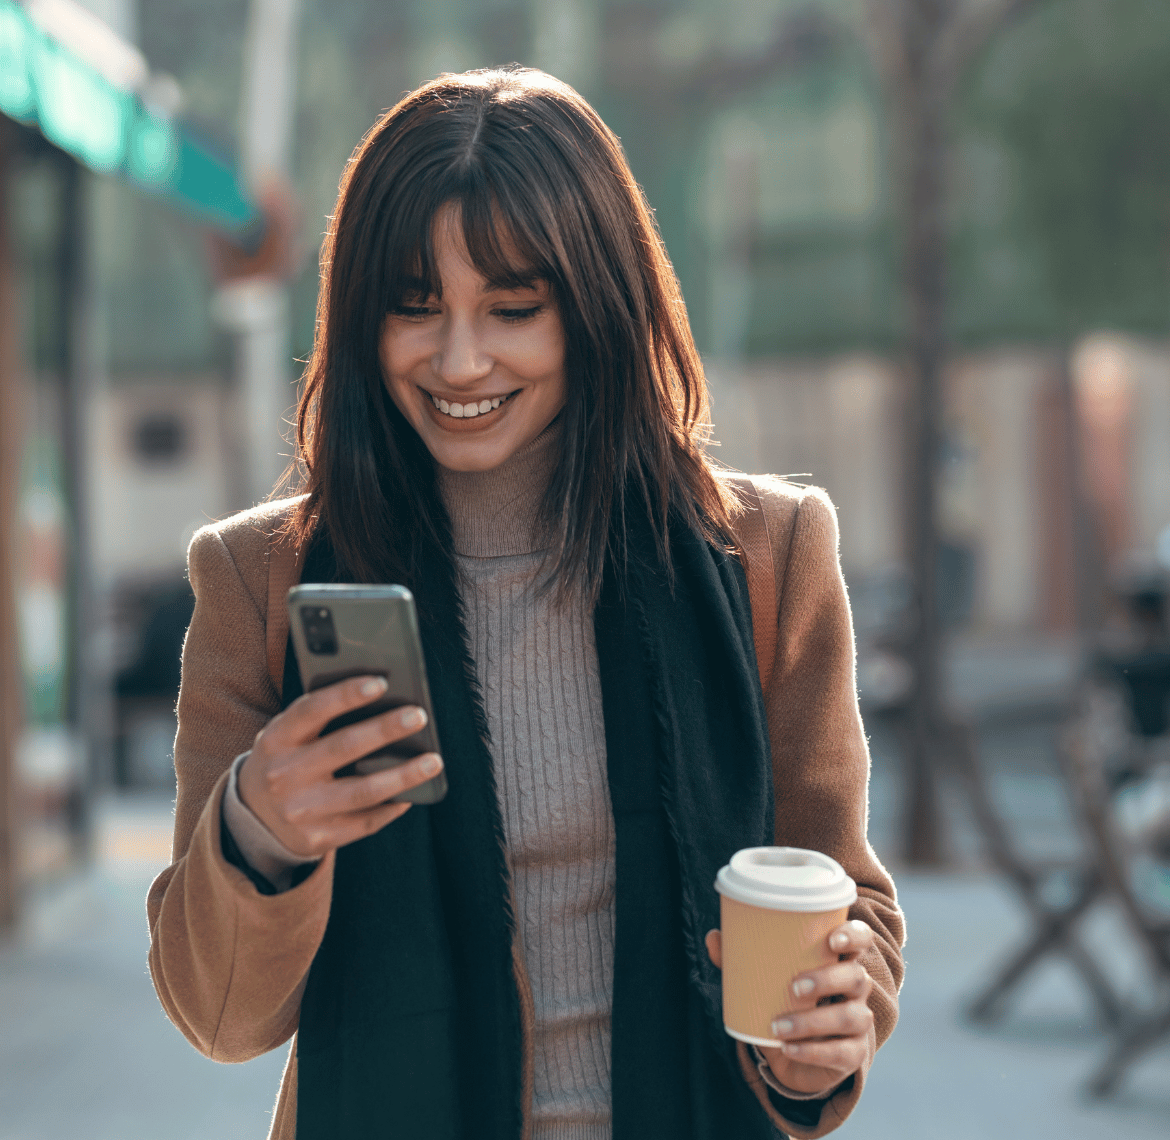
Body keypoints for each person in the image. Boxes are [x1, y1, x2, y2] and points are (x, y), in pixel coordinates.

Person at [147, 67, 904, 1140]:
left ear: (595, 306)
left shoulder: (767, 557)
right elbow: (220, 1015)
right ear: (360, 319)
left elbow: (842, 906)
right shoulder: (261, 581)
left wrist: (834, 1025)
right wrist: (262, 830)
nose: (461, 360)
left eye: (513, 308)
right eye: (415, 309)